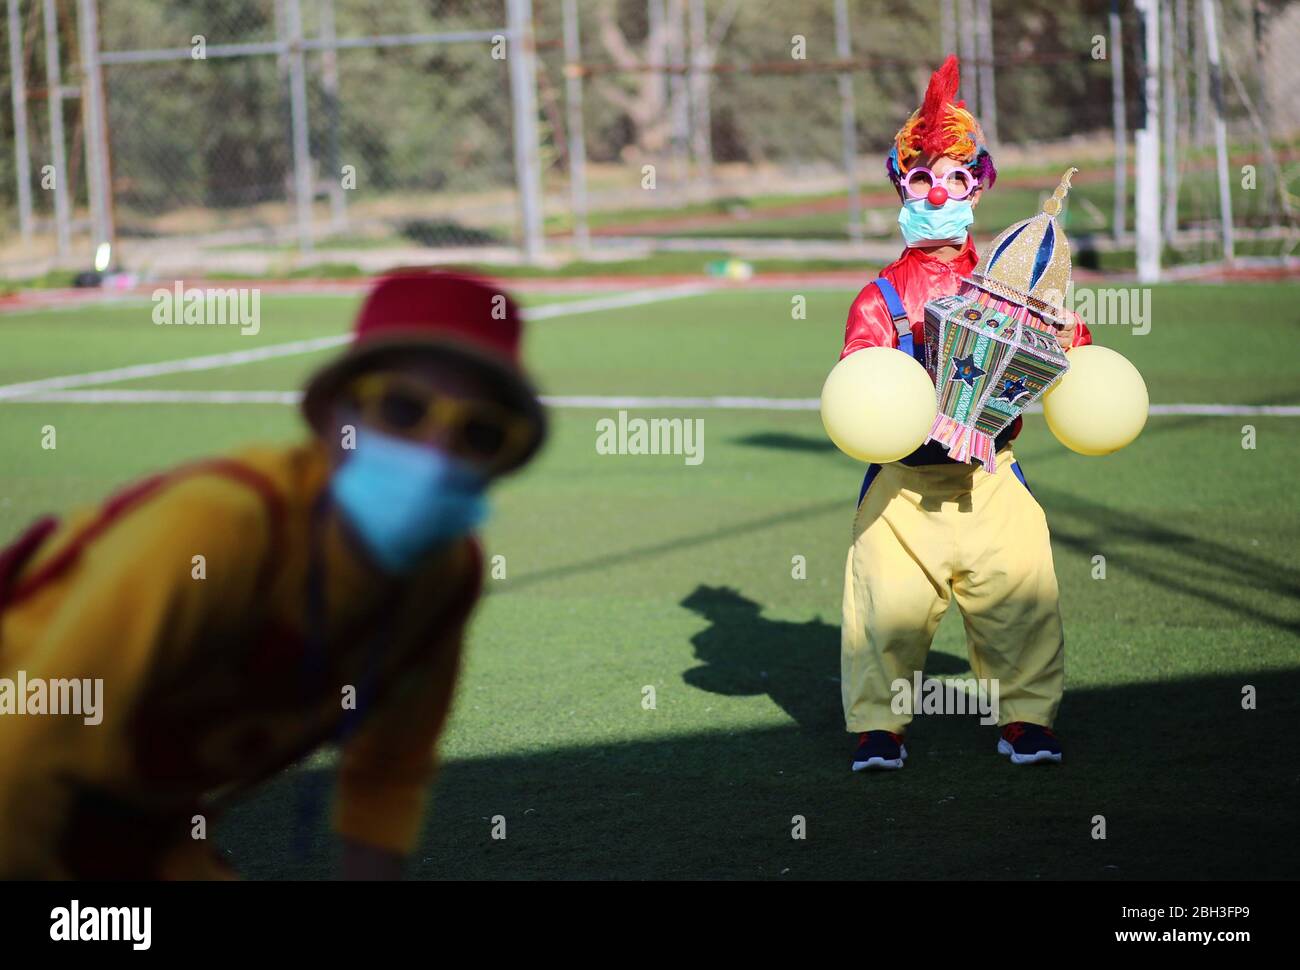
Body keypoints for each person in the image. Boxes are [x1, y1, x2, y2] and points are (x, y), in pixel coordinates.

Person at [0, 270, 546, 878]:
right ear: (336, 416)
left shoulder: (442, 580)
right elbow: (28, 743)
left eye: (480, 434)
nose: (436, 451)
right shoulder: (218, 525)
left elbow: (389, 774)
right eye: (402, 409)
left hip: (129, 821)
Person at [839, 56, 1090, 771]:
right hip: (901, 489)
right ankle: (879, 728)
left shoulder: (1007, 279)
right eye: (921, 178)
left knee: (1021, 601)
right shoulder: (878, 298)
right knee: (883, 609)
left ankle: (1026, 720)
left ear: (978, 186)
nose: (937, 192)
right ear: (901, 187)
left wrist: (1066, 330)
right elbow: (857, 380)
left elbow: (1066, 354)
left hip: (992, 479)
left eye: (953, 177)